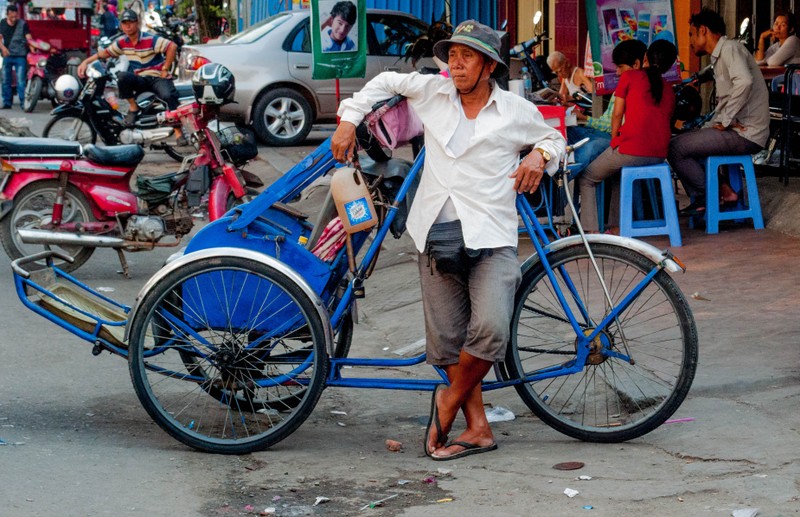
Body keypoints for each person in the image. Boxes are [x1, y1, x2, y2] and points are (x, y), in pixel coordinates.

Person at [331, 20, 564, 461]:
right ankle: (477, 428)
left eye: (467, 57)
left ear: (489, 66)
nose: (456, 64)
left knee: (491, 329)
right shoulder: (432, 92)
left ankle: (448, 401)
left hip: (491, 235)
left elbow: (555, 139)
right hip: (434, 233)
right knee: (447, 342)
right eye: (452, 55)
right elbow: (383, 82)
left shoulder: (514, 110)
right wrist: (349, 120)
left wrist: (539, 154)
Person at [668, 9, 769, 216]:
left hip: (746, 133)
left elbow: (745, 82)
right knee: (686, 138)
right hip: (737, 129)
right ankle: (721, 192)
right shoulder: (720, 56)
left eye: (692, 34)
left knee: (675, 148)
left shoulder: (730, 48)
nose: (691, 41)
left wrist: (726, 120)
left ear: (703, 31)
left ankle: (711, 195)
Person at [578, 39, 677, 234]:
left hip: (632, 150)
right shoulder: (668, 89)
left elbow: (616, 115)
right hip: (659, 154)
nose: (617, 72)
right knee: (616, 172)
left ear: (645, 58)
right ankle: (615, 227)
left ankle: (591, 232)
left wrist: (615, 140)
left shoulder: (631, 77)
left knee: (587, 177)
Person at [77, 9, 179, 129]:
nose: (128, 26)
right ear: (121, 26)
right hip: (141, 79)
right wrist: (85, 62)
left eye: (131, 22)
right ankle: (133, 107)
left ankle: (178, 131)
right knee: (122, 76)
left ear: (137, 23)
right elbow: (104, 53)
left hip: (156, 78)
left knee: (168, 96)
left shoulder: (150, 39)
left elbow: (172, 46)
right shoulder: (122, 43)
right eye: (125, 23)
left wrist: (165, 69)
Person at [0, 5, 33, 109]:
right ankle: (7, 102)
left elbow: (29, 38)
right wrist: (3, 49)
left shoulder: (23, 24)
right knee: (5, 79)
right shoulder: (3, 23)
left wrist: (33, 49)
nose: (14, 18)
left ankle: (24, 103)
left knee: (21, 80)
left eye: (15, 16)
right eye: (12, 17)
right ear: (7, 14)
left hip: (20, 55)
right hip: (7, 55)